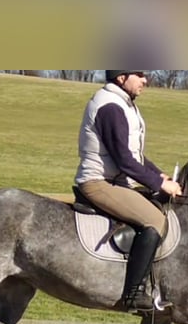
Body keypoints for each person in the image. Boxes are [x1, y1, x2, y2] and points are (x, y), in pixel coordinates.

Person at [75, 70, 182, 311]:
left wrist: (158, 174)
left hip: (116, 181)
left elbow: (135, 155)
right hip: (99, 182)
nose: (145, 80)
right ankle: (133, 294)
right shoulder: (110, 107)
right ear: (121, 77)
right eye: (140, 74)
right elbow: (124, 160)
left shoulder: (123, 103)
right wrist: (159, 184)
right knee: (155, 220)